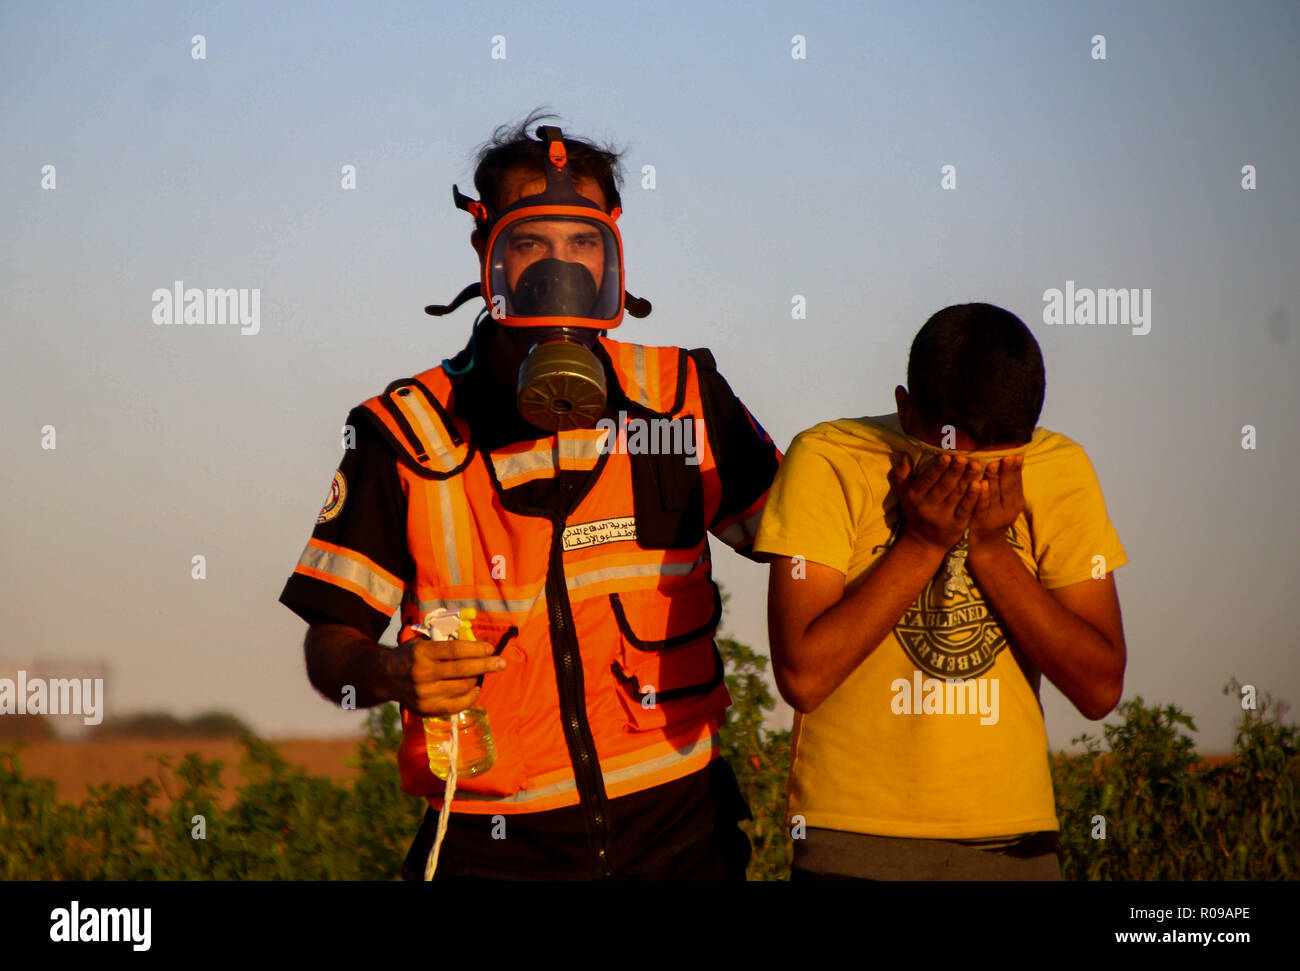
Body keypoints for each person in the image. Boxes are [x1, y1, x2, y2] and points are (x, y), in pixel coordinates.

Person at [278, 113, 781, 881]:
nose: (560, 270)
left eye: (582, 243)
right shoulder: (406, 431)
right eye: (531, 244)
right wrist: (386, 674)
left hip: (681, 828)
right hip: (495, 843)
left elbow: (802, 543)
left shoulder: (681, 397)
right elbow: (328, 652)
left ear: (613, 251)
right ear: (486, 253)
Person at [753, 302, 1127, 880]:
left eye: (1001, 459)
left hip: (1016, 844)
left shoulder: (1059, 467)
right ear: (904, 406)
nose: (973, 476)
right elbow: (803, 675)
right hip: (854, 840)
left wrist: (991, 550)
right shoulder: (830, 457)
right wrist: (923, 543)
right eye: (947, 452)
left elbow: (1100, 687)